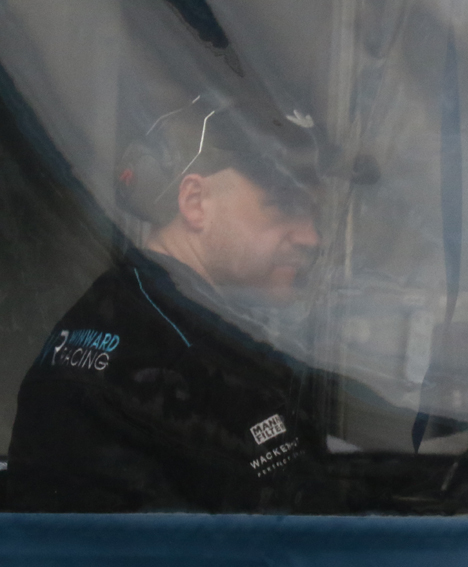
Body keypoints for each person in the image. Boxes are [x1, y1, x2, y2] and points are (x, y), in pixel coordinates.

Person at [7, 96, 336, 512]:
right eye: (285, 207)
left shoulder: (130, 312)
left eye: (314, 215)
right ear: (195, 202)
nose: (311, 238)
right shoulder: (179, 356)